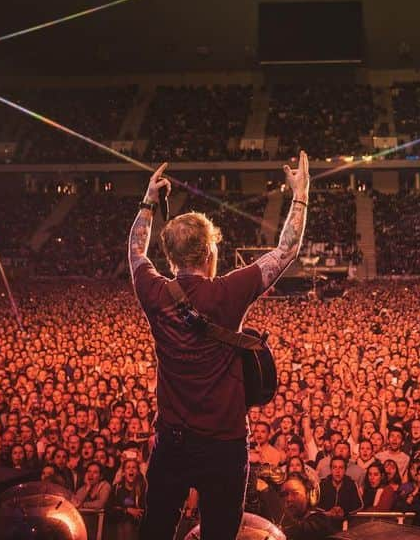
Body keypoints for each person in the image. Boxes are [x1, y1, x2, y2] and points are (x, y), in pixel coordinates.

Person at [131, 155, 310, 540]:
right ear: (210, 253)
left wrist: (148, 201)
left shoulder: (154, 290)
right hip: (224, 445)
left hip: (172, 440)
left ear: (172, 257)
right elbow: (287, 250)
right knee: (220, 532)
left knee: (156, 526)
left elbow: (135, 252)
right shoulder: (229, 292)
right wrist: (301, 195)